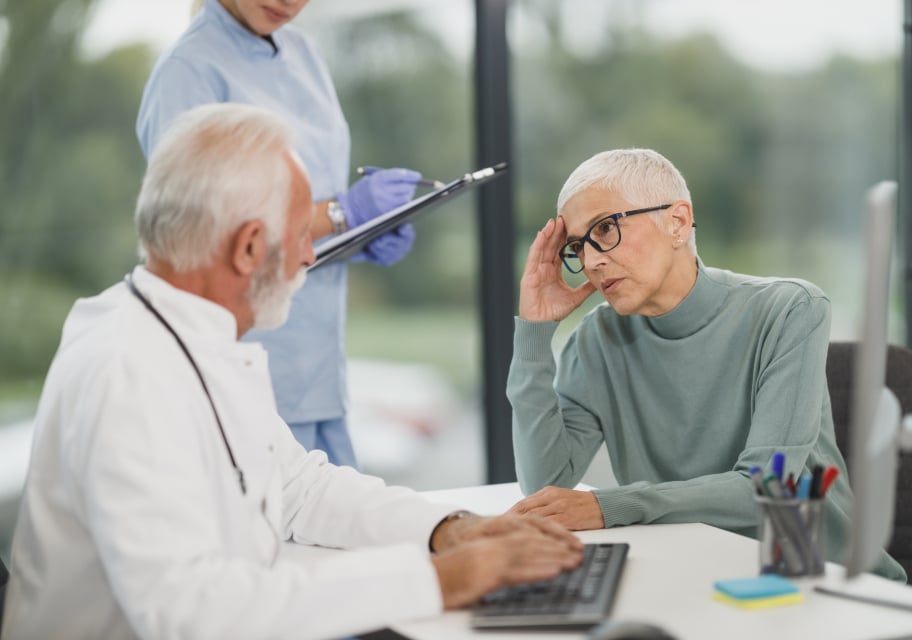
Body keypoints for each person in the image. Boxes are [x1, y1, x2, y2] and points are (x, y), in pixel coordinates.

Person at [0, 104, 584, 640]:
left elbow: (298, 488)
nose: (310, 255)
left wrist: (448, 529)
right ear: (250, 247)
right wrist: (441, 580)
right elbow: (188, 613)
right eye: (302, 233)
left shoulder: (195, 336)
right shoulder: (125, 371)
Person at [504, 148, 905, 581]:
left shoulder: (790, 308)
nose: (591, 261)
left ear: (676, 222)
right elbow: (546, 484)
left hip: (821, 582)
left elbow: (765, 484)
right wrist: (534, 332)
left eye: (604, 228)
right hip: (695, 572)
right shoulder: (597, 338)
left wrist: (614, 505)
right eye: (577, 246)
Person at [136, 0, 424, 467]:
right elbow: (200, 230)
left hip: (318, 368)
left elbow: (296, 201)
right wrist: (342, 212)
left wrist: (357, 236)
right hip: (243, 362)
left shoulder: (303, 52)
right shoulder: (187, 72)